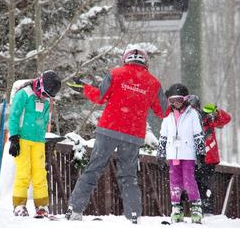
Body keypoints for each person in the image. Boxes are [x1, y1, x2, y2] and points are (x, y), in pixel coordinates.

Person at [65, 48, 169, 224]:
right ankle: (133, 215)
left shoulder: (115, 73)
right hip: (133, 135)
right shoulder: (153, 83)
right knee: (129, 176)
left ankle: (75, 209)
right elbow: (163, 111)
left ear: (126, 59)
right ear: (145, 61)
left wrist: (84, 88)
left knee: (93, 169)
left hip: (108, 130)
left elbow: (99, 97)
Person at [8, 70, 61, 217]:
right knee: (23, 172)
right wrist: (14, 138)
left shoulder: (44, 100)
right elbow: (14, 116)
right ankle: (19, 205)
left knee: (40, 174)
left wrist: (43, 136)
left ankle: (41, 205)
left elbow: (43, 120)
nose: (45, 98)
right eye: (45, 95)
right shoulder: (24, 94)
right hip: (22, 139)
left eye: (49, 97)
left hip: (38, 141)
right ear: (40, 86)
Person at [156, 84, 205, 224]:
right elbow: (163, 136)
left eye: (177, 99)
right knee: (174, 183)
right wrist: (160, 153)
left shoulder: (193, 114)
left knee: (189, 180)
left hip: (188, 154)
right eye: (171, 100)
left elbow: (198, 135)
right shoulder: (167, 115)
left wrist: (201, 152)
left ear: (185, 99)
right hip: (173, 154)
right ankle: (176, 207)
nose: (175, 103)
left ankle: (195, 206)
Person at [188, 98, 231, 215]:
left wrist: (217, 112)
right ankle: (197, 209)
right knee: (194, 184)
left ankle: (207, 210)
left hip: (208, 159)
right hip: (193, 159)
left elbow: (226, 118)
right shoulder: (186, 120)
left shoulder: (207, 117)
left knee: (205, 184)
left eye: (194, 107)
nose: (192, 110)